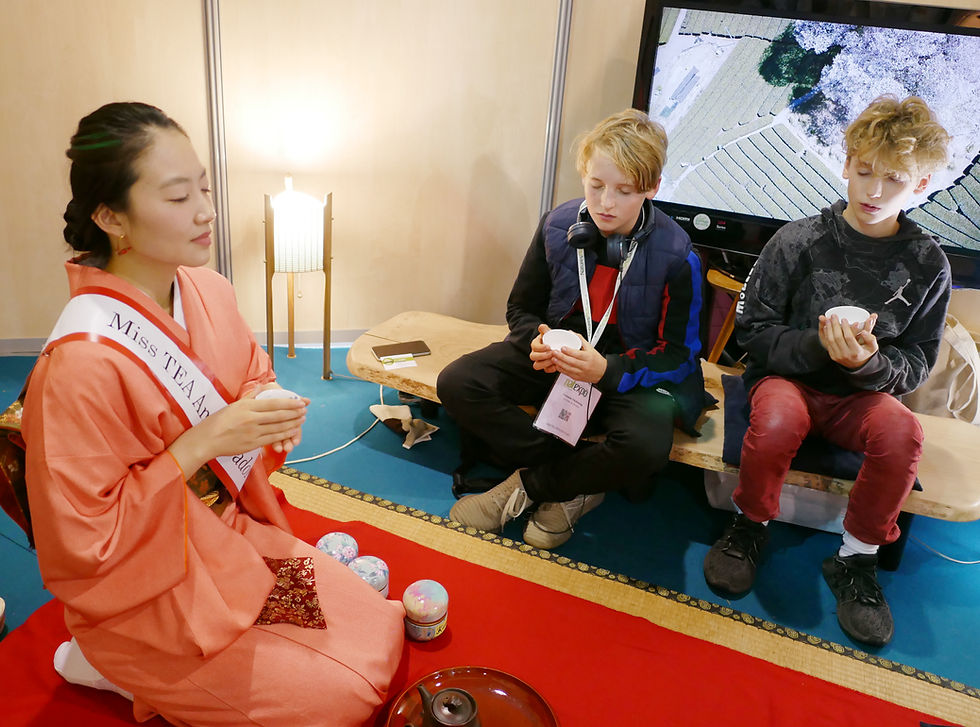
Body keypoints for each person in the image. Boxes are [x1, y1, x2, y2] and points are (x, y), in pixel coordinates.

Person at [22, 102, 404, 726]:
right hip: (146, 593)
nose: (206, 210)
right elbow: (86, 543)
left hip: (228, 536)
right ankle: (110, 662)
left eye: (203, 186)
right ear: (110, 216)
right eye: (178, 197)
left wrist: (266, 409)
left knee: (376, 631)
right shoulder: (79, 366)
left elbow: (253, 375)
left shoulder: (207, 288)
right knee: (345, 696)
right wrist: (197, 446)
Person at [702, 95, 952, 647]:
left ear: (922, 184)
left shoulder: (927, 263)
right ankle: (749, 525)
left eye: (894, 180)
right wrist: (820, 347)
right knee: (774, 424)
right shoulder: (798, 240)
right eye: (864, 172)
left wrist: (866, 365)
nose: (874, 192)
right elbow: (755, 334)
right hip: (788, 381)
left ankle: (858, 558)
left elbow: (914, 365)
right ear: (845, 163)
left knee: (901, 431)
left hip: (860, 397)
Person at [438, 108, 708, 549]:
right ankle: (580, 476)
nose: (605, 203)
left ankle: (528, 486)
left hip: (629, 367)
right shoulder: (557, 224)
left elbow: (680, 355)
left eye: (624, 191)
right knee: (458, 382)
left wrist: (608, 370)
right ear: (583, 174)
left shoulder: (679, 257)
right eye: (596, 185)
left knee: (645, 446)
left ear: (652, 188)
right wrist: (536, 341)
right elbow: (521, 308)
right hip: (561, 351)